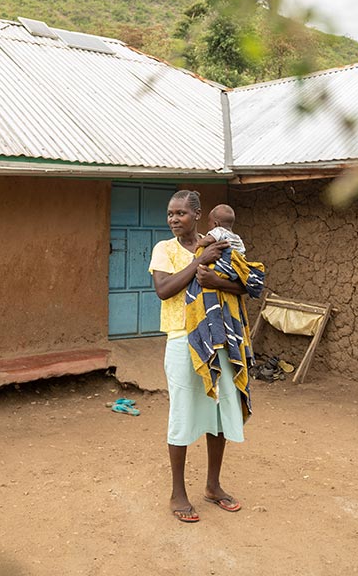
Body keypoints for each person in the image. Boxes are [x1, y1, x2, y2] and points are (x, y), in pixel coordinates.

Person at [149, 190, 248, 523]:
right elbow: (163, 290)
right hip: (182, 339)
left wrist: (215, 277)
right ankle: (178, 492)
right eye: (170, 214)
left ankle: (213, 486)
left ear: (198, 215)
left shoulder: (221, 246)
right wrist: (197, 264)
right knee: (182, 411)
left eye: (181, 214)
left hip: (218, 338)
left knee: (218, 411)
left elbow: (245, 286)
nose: (174, 220)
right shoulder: (165, 249)